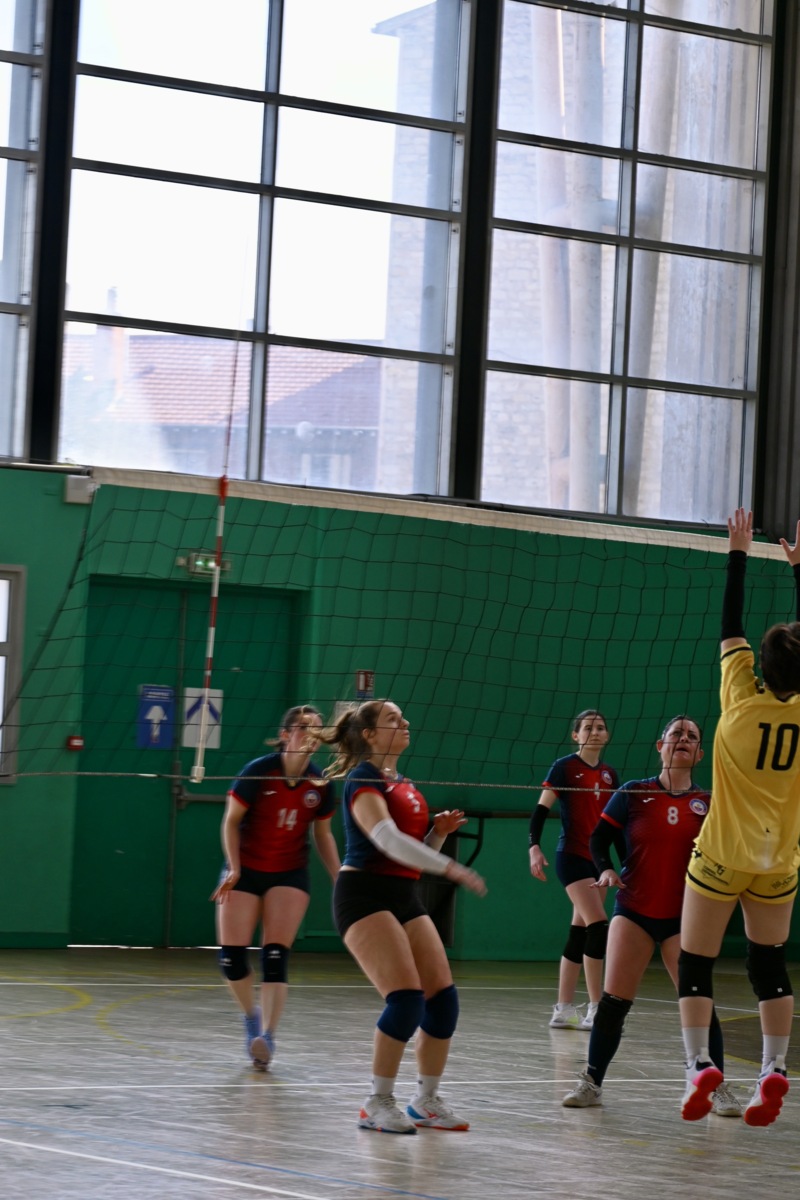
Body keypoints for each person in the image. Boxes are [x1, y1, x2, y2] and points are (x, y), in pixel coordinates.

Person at [679, 508, 800, 1127]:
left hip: (722, 855)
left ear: (761, 668)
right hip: (779, 864)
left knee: (695, 963)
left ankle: (700, 1064)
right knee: (768, 965)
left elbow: (730, 624)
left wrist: (738, 553)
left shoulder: (738, 701)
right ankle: (773, 1069)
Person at [324, 698, 487, 1134]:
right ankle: (376, 1103)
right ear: (370, 734)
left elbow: (410, 856)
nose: (405, 722)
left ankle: (425, 1101)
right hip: (363, 895)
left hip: (403, 894)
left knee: (443, 1000)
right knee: (406, 1000)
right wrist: (450, 866)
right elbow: (387, 841)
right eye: (393, 719)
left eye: (402, 717)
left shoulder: (405, 785)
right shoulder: (363, 778)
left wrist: (437, 836)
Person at [562, 716, 739, 1116]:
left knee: (699, 1001)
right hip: (635, 909)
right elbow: (598, 838)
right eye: (676, 734)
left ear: (700, 753)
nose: (683, 739)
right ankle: (592, 1082)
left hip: (686, 917)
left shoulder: (710, 801)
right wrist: (606, 869)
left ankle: (715, 1086)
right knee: (613, 1001)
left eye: (691, 736)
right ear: (660, 746)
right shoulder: (633, 792)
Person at [211, 704, 340, 1069]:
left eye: (317, 730)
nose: (311, 736)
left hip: (289, 873)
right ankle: (251, 1018)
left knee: (274, 957)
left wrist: (339, 875)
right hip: (245, 869)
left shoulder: (321, 783)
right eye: (303, 728)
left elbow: (323, 834)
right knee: (232, 960)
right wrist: (234, 867)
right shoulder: (258, 771)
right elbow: (230, 821)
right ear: (285, 735)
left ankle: (267, 1037)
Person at [529, 709, 620, 1029]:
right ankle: (596, 1008)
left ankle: (563, 1009)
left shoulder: (610, 774)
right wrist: (534, 846)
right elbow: (541, 810)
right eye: (588, 727)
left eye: (601, 727)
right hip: (571, 857)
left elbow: (614, 826)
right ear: (576, 735)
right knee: (598, 925)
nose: (595, 732)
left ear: (607, 735)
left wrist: (622, 864)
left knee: (579, 932)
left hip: (598, 861)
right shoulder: (564, 767)